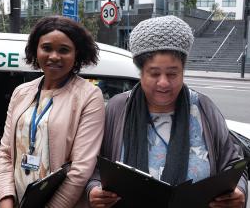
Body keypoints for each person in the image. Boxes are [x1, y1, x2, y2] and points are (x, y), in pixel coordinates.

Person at [86, 15, 248, 208]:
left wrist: (239, 190)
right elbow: (95, 165)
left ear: (183, 71)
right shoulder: (117, 108)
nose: (163, 82)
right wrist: (94, 189)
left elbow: (233, 162)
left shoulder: (204, 108)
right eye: (154, 73)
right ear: (141, 72)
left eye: (172, 73)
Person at [0, 15, 105, 208]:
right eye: (47, 48)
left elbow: (80, 170)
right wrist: (6, 200)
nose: (54, 56)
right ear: (36, 50)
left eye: (64, 50)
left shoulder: (89, 96)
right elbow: (5, 153)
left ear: (76, 54)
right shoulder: (21, 93)